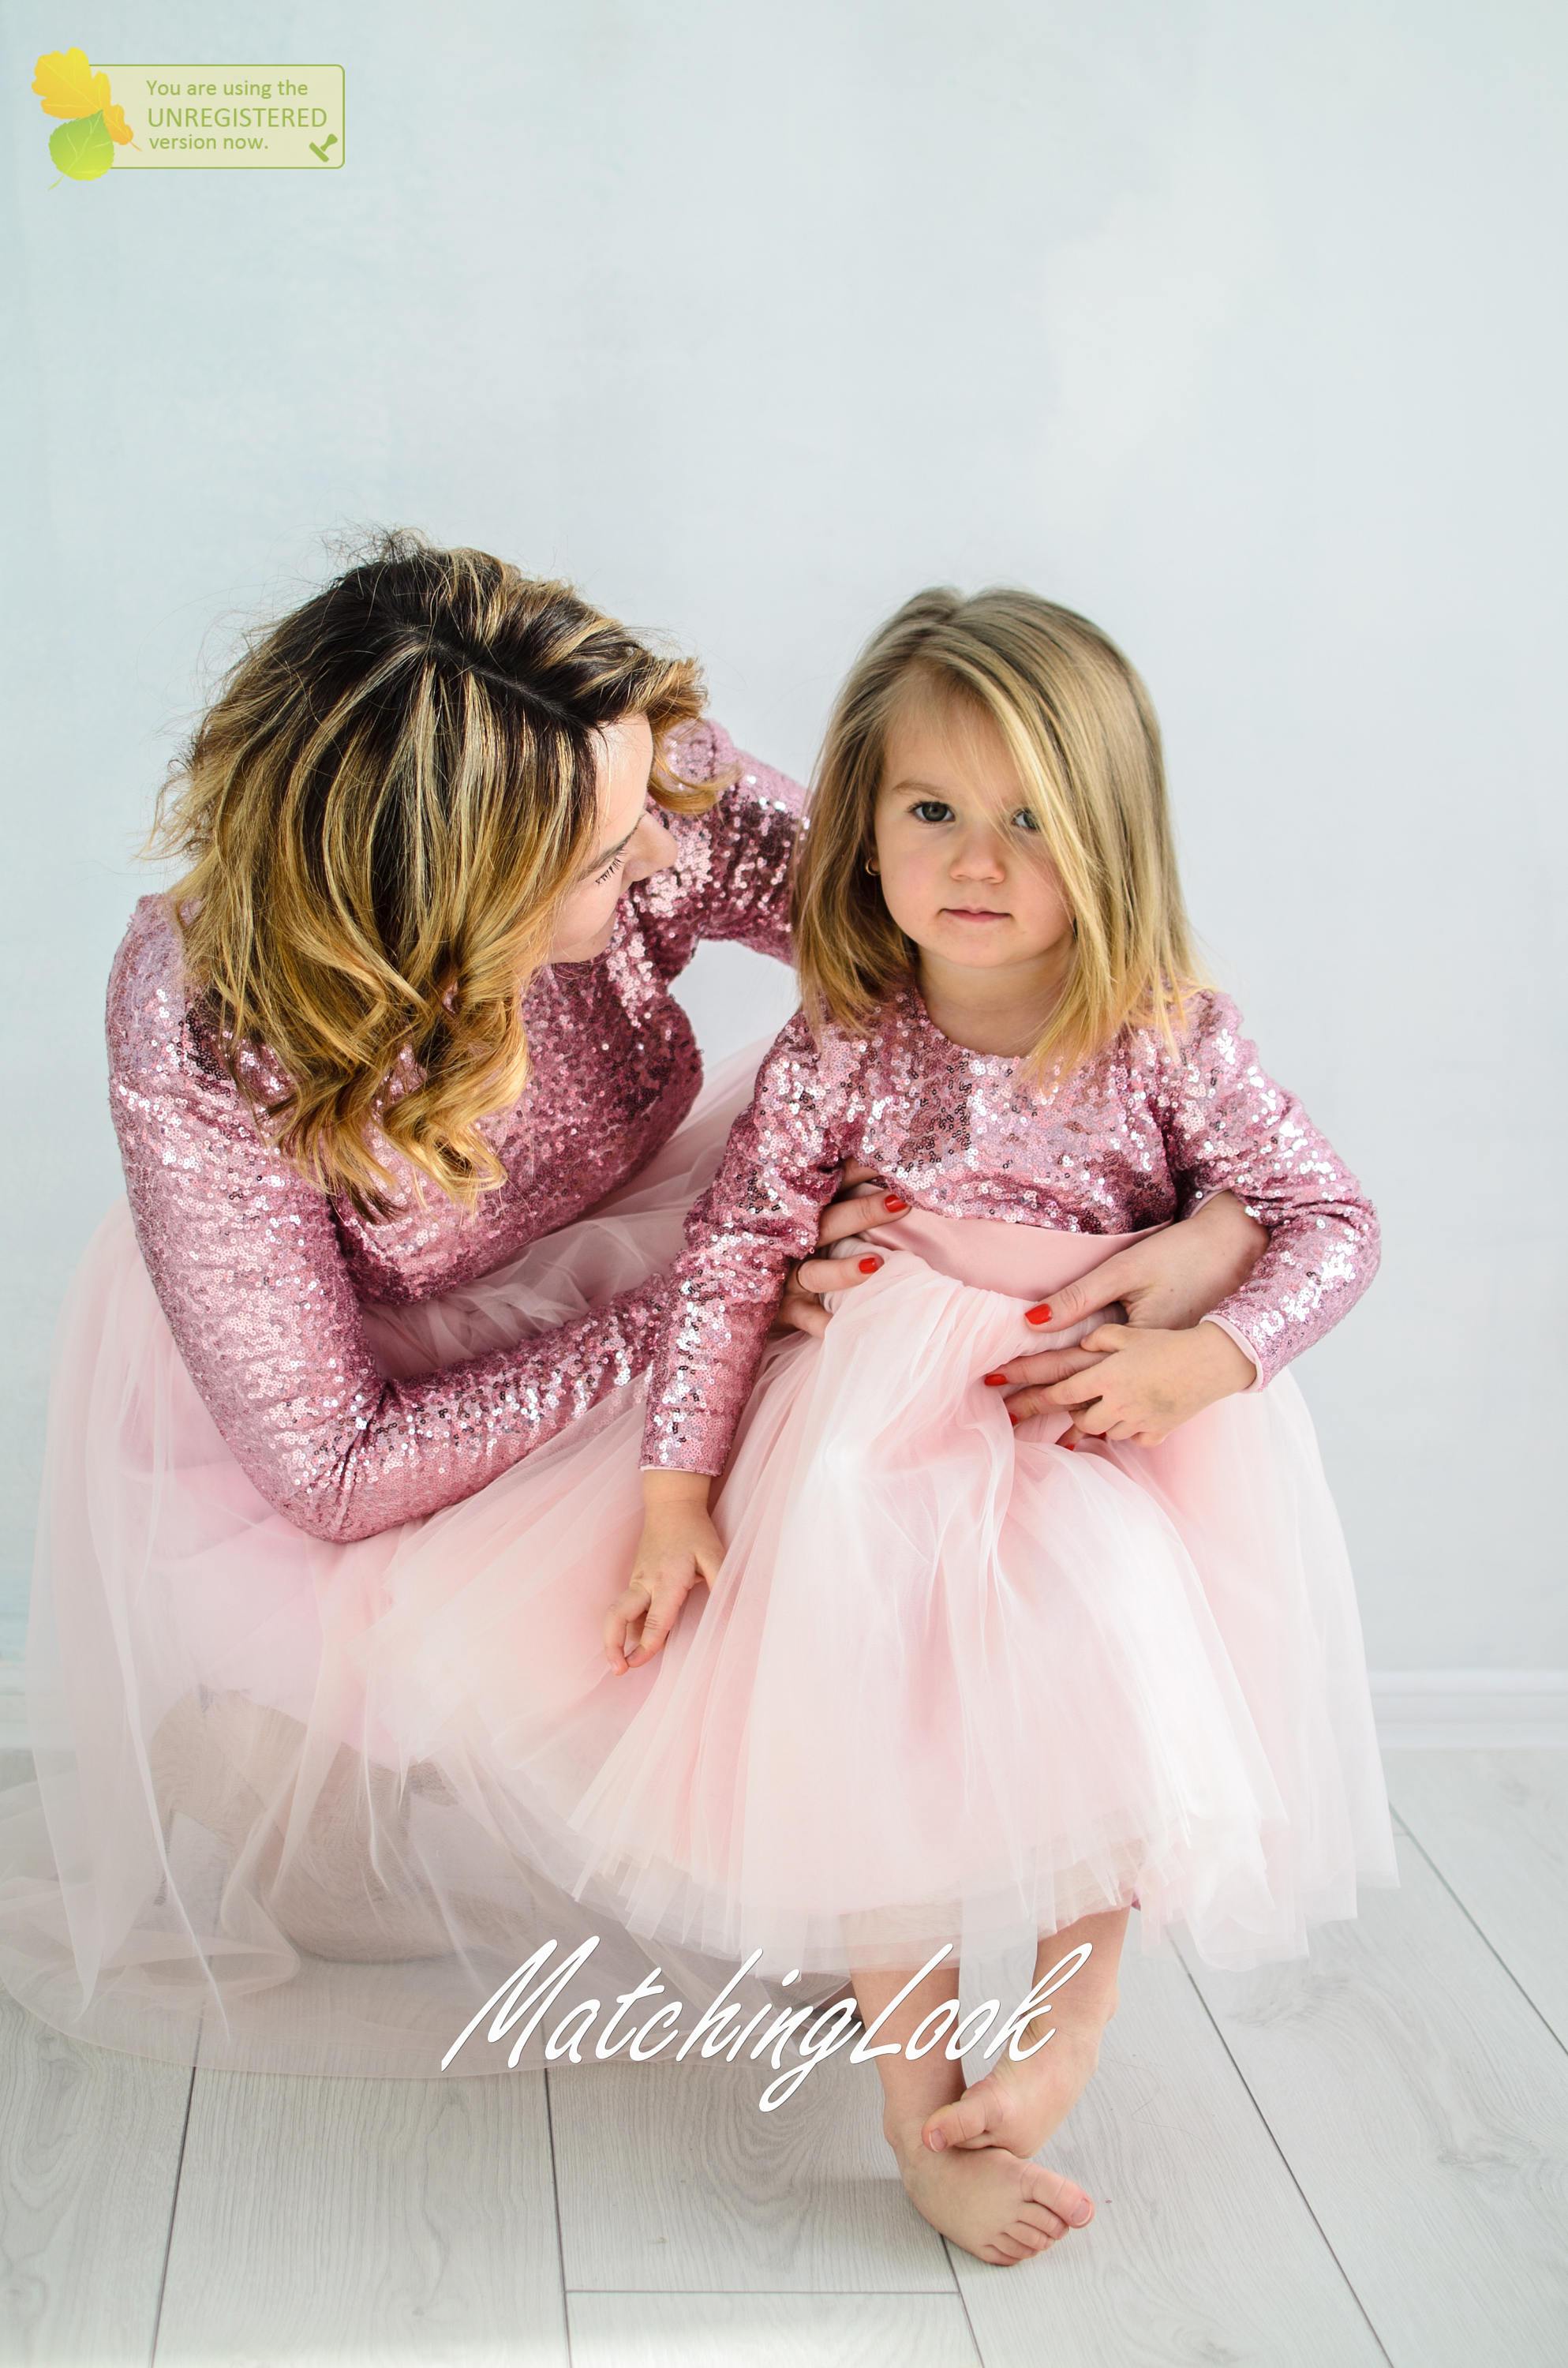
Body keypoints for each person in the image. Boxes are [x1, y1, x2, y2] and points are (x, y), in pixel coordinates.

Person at [0, 534, 1270, 2087]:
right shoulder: (207, 1019)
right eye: (608, 865)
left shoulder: (631, 778)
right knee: (630, 1526)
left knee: (881, 1381)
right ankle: (290, 1763)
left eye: (651, 820)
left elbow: (941, 944)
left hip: (653, 1232)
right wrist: (701, 1315)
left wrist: (1206, 1209)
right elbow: (333, 1466)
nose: (668, 863)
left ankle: (891, 1838)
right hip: (381, 1376)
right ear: (442, 883)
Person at [473, 586, 1399, 2265]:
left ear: (1110, 833)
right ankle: (917, 2106)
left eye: (1033, 817)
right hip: (880, 1443)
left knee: (1110, 1676)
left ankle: (1065, 2018)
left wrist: (1214, 1358)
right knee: (862, 1726)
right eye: (931, 811)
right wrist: (677, 1491)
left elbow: (1327, 1218)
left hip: (1090, 1423)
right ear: (866, 824)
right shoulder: (842, 1036)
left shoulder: (1165, 1032)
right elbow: (734, 1254)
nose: (979, 859)